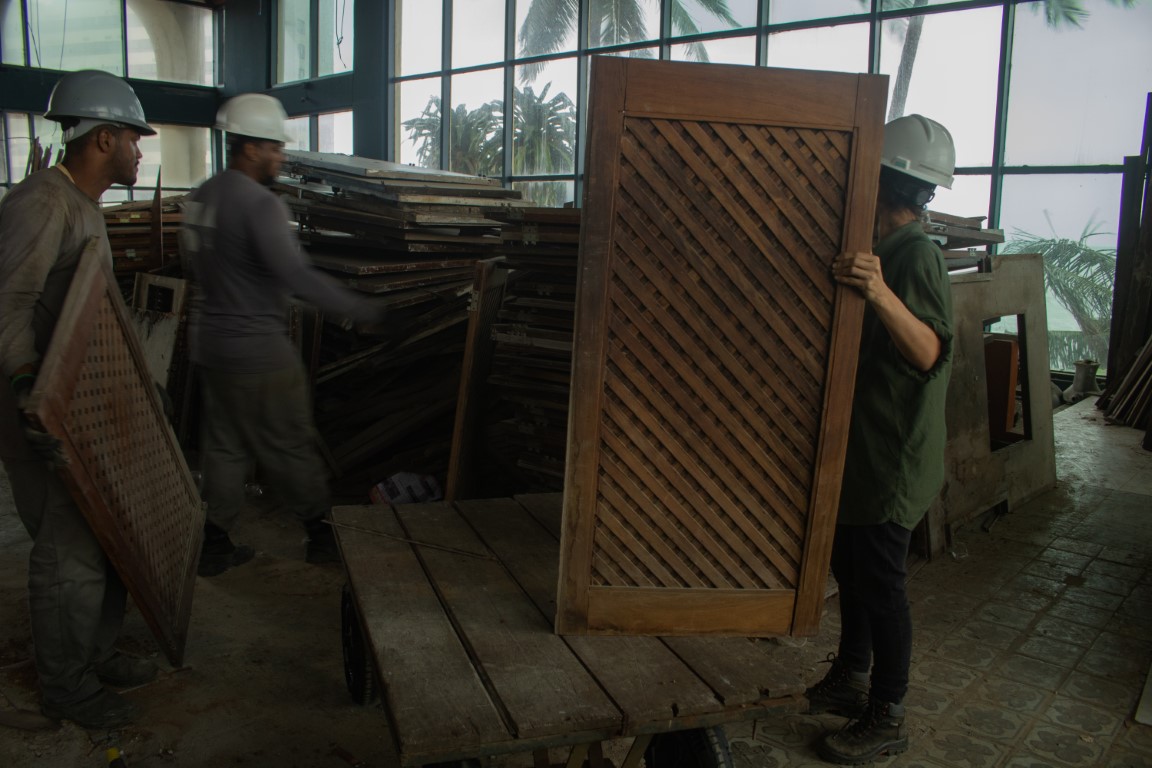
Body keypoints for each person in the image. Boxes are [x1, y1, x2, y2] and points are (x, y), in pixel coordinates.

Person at [0, 69, 160, 729]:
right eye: (133, 138)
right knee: (67, 550)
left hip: (81, 409)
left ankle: (93, 655)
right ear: (102, 139)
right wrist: (26, 388)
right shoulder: (43, 202)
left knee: (104, 536)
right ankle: (66, 687)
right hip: (41, 412)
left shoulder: (84, 206)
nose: (140, 151)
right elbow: (7, 304)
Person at [806, 114, 956, 765]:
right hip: (862, 448)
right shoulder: (882, 247)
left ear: (883, 184)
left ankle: (888, 713)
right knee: (852, 568)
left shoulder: (917, 255)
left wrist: (878, 292)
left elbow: (928, 350)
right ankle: (852, 676)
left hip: (893, 455)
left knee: (883, 586)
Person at [181, 93, 383, 577]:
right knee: (290, 442)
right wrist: (363, 309)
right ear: (249, 147)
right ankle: (321, 536)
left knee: (224, 446)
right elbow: (297, 275)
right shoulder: (259, 204)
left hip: (212, 346)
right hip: (259, 350)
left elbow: (194, 266)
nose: (280, 156)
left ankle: (214, 543)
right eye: (274, 147)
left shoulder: (201, 196)